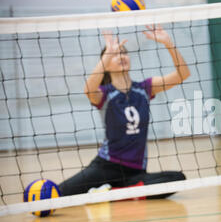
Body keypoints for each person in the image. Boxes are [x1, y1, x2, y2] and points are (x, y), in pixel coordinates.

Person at [59, 24, 190, 198]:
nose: (121, 56)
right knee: (61, 193)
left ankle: (115, 192)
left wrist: (168, 43)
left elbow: (183, 74)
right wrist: (106, 57)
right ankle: (121, 192)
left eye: (124, 53)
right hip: (105, 166)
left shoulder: (144, 88)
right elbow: (89, 90)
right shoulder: (105, 94)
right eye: (115, 55)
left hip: (135, 171)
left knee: (177, 177)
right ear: (106, 63)